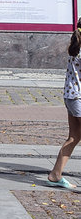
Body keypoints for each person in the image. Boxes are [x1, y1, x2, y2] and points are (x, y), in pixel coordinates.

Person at [47, 20, 81, 189]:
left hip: (71, 97)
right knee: (74, 137)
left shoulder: (76, 46)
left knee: (74, 137)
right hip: (79, 99)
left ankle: (55, 174)